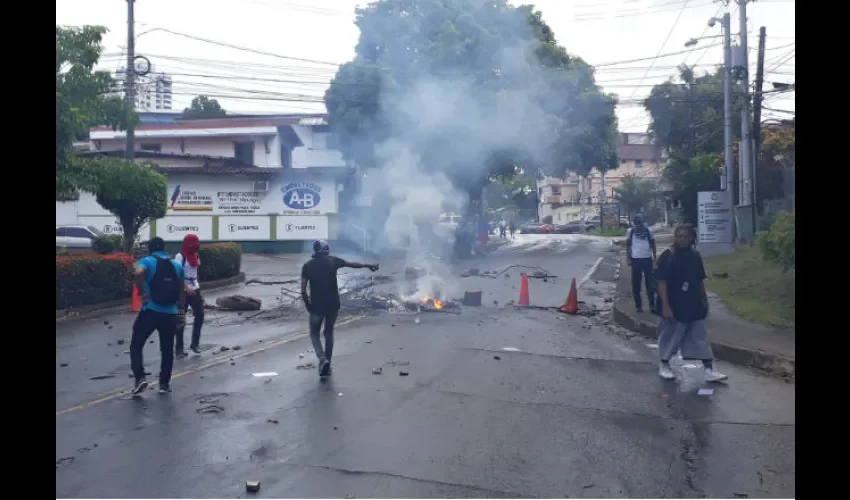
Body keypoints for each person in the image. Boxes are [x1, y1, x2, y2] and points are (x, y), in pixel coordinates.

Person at [653, 224, 727, 383]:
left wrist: (704, 299)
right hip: (673, 304)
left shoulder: (695, 256)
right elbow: (661, 281)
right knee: (670, 337)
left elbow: (699, 279)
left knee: (699, 337)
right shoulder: (668, 256)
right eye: (679, 236)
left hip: (693, 304)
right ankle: (664, 365)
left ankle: (709, 369)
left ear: (692, 238)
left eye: (685, 236)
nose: (682, 239)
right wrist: (665, 305)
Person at [301, 240, 379, 377]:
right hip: (333, 305)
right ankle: (328, 364)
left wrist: (308, 305)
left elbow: (303, 290)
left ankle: (322, 359)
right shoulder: (333, 261)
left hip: (317, 306)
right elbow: (353, 264)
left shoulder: (307, 266)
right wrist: (368, 265)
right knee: (328, 333)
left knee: (314, 334)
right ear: (326, 250)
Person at [130, 237, 185, 395]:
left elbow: (137, 274)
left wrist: (141, 293)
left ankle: (140, 378)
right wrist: (181, 312)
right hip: (171, 313)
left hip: (151, 311)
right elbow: (181, 291)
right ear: (164, 248)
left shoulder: (146, 262)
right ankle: (164, 384)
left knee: (136, 345)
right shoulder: (176, 265)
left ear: (150, 249)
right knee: (167, 349)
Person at [174, 234, 204, 357]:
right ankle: (179, 349)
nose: (197, 245)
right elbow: (176, 275)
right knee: (181, 320)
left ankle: (195, 344)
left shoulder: (195, 255)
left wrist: (196, 289)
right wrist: (186, 288)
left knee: (200, 315)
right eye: (194, 243)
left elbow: (196, 268)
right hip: (183, 292)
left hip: (195, 289)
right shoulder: (180, 256)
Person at [626, 214, 656, 313]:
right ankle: (638, 306)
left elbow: (653, 244)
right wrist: (628, 259)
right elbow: (628, 245)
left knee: (650, 284)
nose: (638, 222)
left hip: (647, 259)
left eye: (640, 220)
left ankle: (652, 305)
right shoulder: (630, 231)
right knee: (636, 284)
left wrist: (654, 258)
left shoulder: (649, 231)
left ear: (643, 221)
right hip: (635, 260)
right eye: (637, 220)